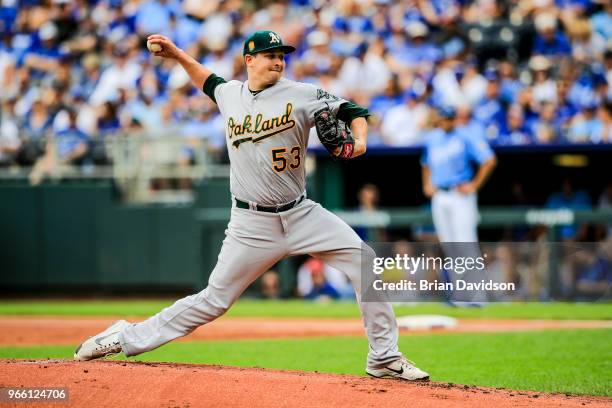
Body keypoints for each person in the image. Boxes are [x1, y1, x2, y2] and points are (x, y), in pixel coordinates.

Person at [74, 30, 429, 381]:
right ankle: (124, 336)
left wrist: (361, 141)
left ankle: (384, 357)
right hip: (251, 222)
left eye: (282, 55)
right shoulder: (230, 94)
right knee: (214, 300)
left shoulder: (303, 94)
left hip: (301, 212)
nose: (278, 60)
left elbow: (354, 110)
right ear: (250, 60)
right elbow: (207, 80)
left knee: (365, 261)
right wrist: (178, 54)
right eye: (270, 54)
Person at [421, 106, 497, 243]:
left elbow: (489, 160)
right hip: (439, 194)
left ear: (454, 119)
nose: (446, 122)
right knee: (447, 243)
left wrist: (474, 184)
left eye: (449, 119)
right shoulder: (432, 137)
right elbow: (426, 163)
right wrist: (427, 183)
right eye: (444, 118)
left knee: (466, 242)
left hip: (460, 194)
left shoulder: (466, 135)